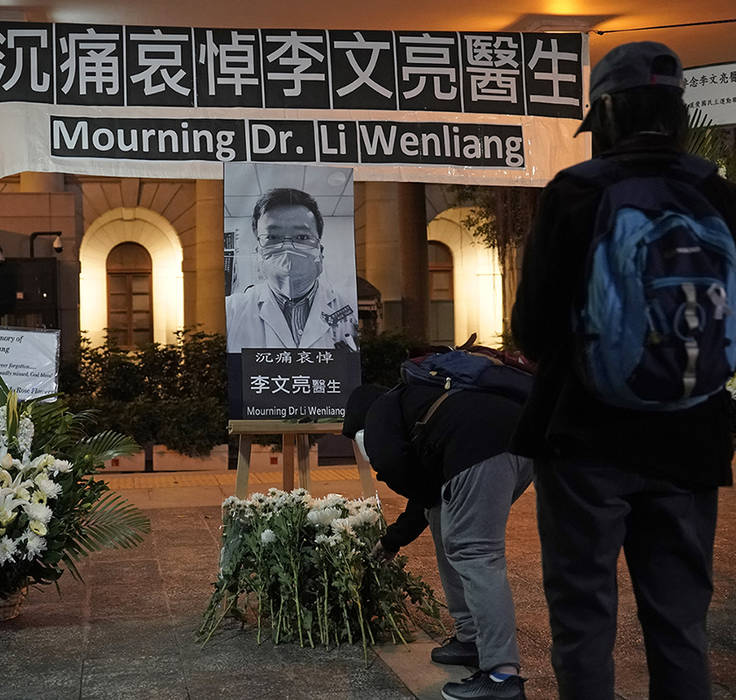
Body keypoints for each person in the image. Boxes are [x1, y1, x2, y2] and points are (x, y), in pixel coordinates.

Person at [510, 41, 736, 700]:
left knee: (583, 620)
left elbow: (533, 331)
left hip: (584, 442)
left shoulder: (574, 193)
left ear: (607, 116)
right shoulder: (726, 199)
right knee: (681, 624)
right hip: (691, 441)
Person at [343, 349, 534, 700]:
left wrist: (396, 528)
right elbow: (429, 497)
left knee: (477, 552)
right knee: (444, 520)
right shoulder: (418, 402)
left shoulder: (379, 412)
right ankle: (471, 638)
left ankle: (501, 676)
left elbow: (395, 466)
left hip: (482, 448)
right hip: (522, 441)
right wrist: (391, 542)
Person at [225, 187, 358, 353]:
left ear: (320, 251)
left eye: (302, 237)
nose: (287, 249)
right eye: (272, 237)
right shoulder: (231, 312)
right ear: (258, 252)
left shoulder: (350, 308)